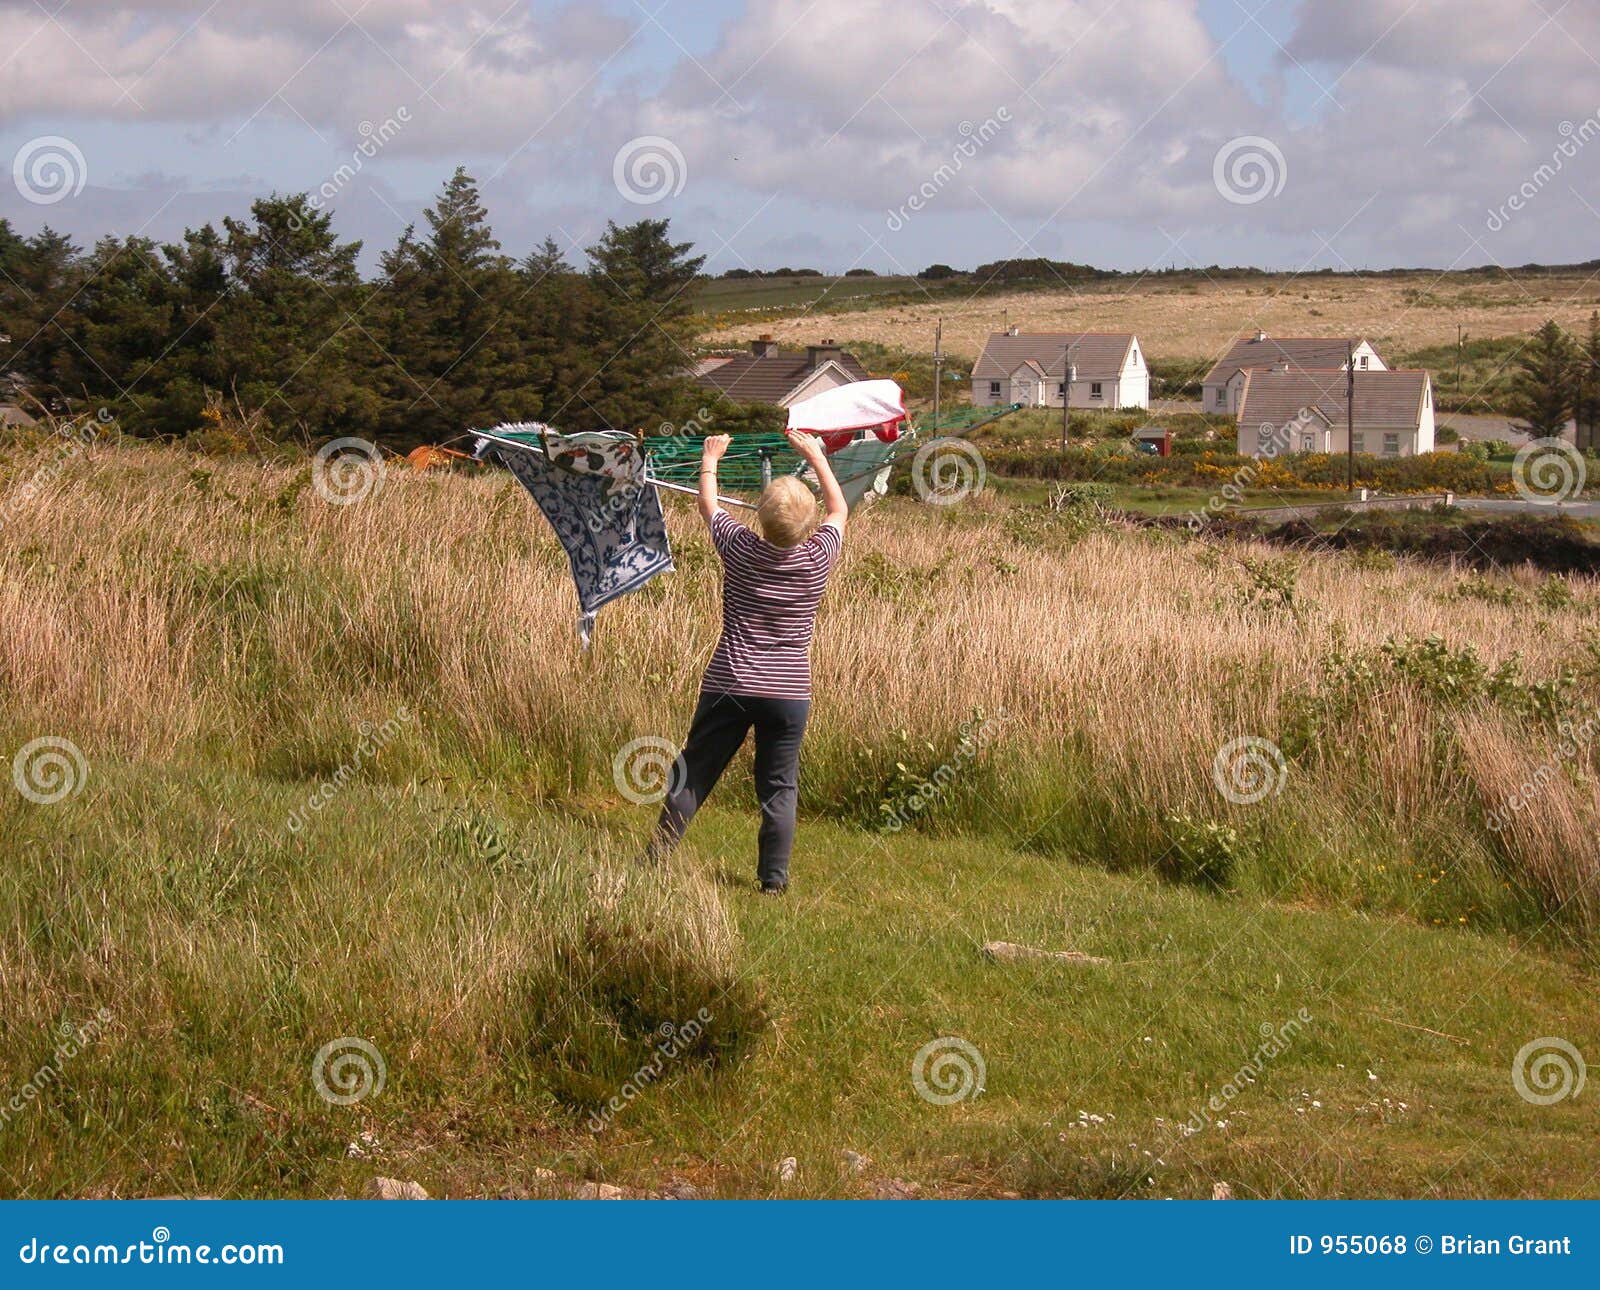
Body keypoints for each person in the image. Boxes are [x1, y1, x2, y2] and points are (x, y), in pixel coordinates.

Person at [647, 429, 849, 894]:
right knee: (779, 788)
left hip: (730, 684)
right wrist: (816, 456)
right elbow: (839, 509)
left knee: (694, 772)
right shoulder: (818, 557)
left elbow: (710, 507)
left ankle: (656, 858)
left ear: (759, 519)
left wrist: (711, 457)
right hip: (789, 693)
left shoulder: (739, 548)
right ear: (809, 524)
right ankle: (773, 883)